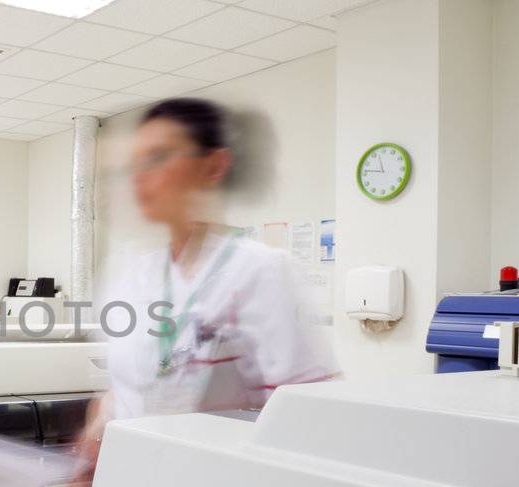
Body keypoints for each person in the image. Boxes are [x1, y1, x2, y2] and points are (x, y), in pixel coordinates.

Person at [79, 98, 336, 467]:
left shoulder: (260, 271)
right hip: (128, 474)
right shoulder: (132, 275)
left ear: (214, 166)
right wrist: (95, 428)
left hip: (218, 483)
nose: (140, 177)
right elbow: (127, 388)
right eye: (135, 164)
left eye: (159, 158)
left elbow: (308, 415)